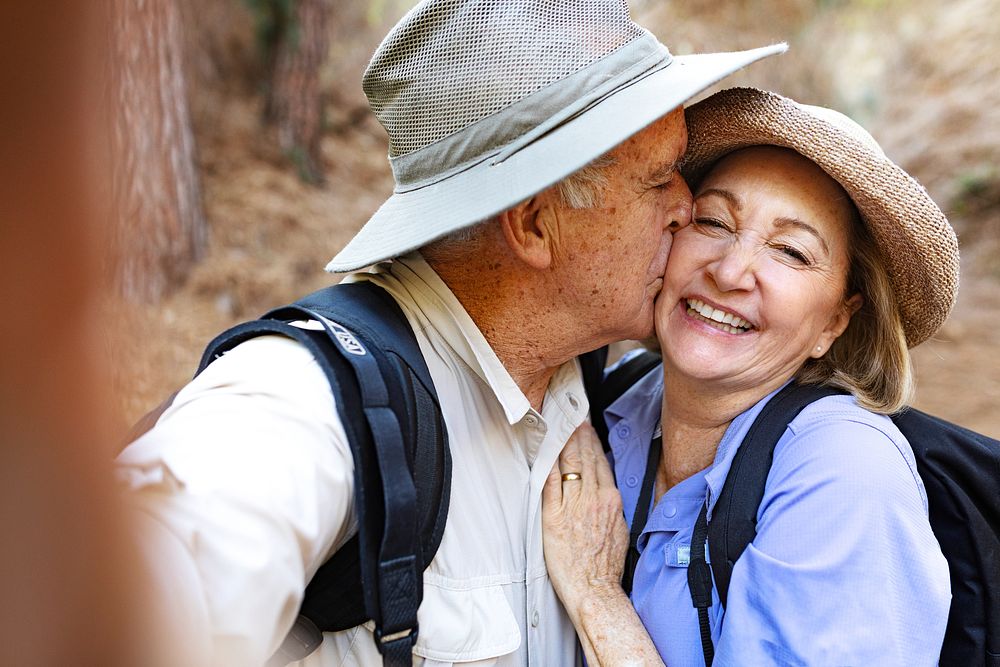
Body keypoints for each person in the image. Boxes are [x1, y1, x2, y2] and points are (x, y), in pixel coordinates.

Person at [117, 2, 785, 665]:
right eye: (655, 179)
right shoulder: (306, 404)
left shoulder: (593, 383)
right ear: (532, 226)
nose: (686, 206)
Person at [542, 87, 958, 666]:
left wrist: (595, 596)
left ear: (835, 321)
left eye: (790, 252)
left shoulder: (845, 473)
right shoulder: (616, 404)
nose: (732, 271)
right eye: (713, 221)